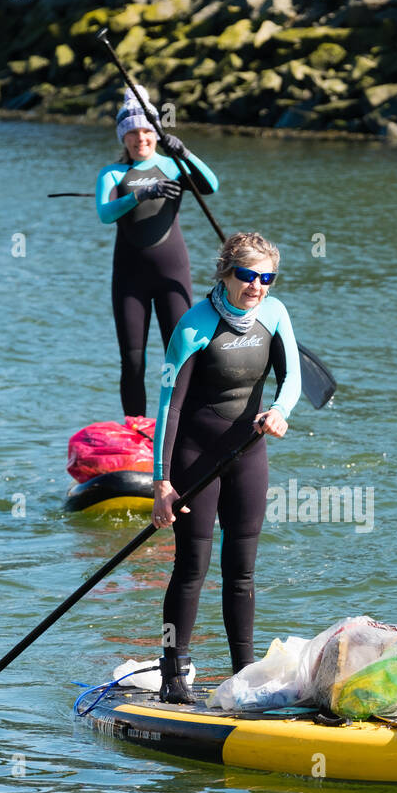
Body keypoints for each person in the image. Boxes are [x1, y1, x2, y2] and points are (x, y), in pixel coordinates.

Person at [151, 231, 301, 703]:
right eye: (247, 275)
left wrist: (281, 410)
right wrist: (162, 482)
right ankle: (173, 674)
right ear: (225, 272)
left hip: (248, 454)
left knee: (242, 571)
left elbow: (291, 376)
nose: (257, 286)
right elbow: (169, 407)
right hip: (195, 456)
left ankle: (245, 673)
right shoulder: (193, 326)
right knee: (191, 568)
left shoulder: (274, 315)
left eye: (267, 277)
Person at [95, 84, 219, 417]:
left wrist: (186, 153)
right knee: (133, 357)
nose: (140, 139)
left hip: (171, 273)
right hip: (129, 278)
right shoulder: (112, 174)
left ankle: (181, 422)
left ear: (156, 134)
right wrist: (139, 194)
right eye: (132, 133)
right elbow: (105, 214)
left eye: (146, 131)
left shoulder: (174, 166)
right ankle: (136, 428)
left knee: (179, 351)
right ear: (123, 138)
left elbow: (210, 186)